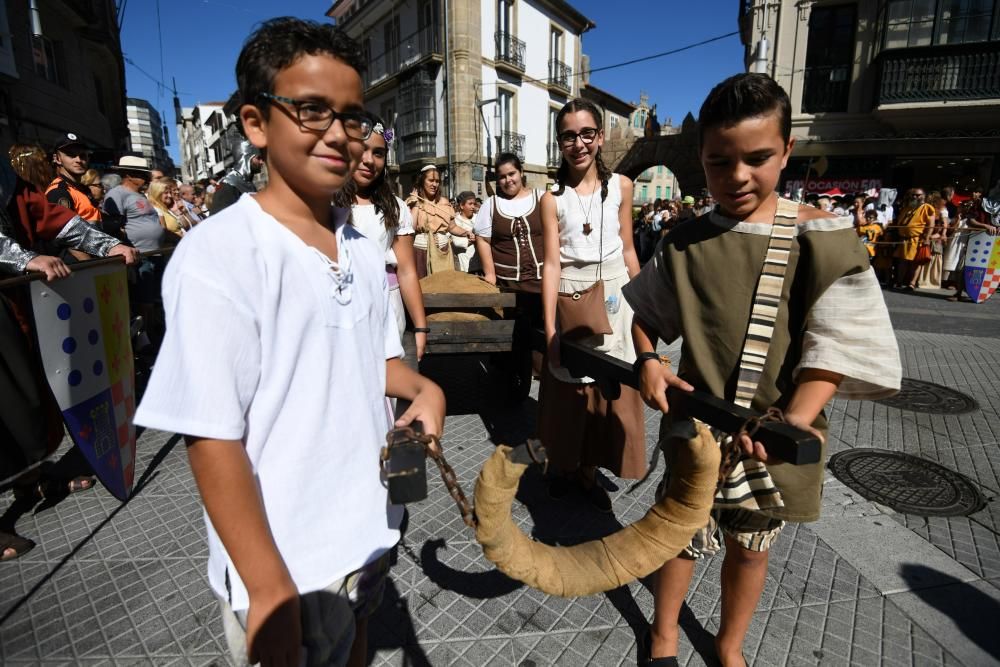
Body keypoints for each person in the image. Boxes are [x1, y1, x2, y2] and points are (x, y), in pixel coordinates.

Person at [133, 17, 446, 667]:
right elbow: (209, 433)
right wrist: (267, 584)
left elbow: (379, 361)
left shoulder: (362, 247)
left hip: (368, 532)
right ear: (255, 122)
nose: (338, 132)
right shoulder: (219, 254)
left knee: (358, 640)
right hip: (283, 563)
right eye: (311, 110)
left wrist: (425, 387)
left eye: (352, 116)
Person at [623, 73, 900, 667]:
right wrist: (648, 359)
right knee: (681, 537)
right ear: (700, 160)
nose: (738, 175)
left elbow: (836, 347)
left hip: (777, 432)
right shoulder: (683, 240)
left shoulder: (822, 235)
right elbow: (644, 316)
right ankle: (665, 635)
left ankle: (729, 646)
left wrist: (789, 424)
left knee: (750, 547)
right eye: (719, 161)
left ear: (787, 150)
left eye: (758, 158)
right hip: (696, 425)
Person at [0, 153, 139, 561]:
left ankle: (32, 478)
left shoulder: (7, 179)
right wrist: (25, 258)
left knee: (28, 397)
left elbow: (52, 218)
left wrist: (107, 243)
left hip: (13, 303)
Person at [539, 97, 646, 513]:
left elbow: (631, 251)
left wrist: (648, 310)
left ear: (599, 137)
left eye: (586, 133)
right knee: (571, 392)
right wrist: (549, 330)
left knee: (608, 389)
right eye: (568, 135)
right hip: (570, 296)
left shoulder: (621, 186)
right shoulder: (551, 197)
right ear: (560, 142)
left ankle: (590, 472)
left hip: (617, 294)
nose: (578, 143)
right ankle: (566, 468)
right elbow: (551, 263)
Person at [333, 117, 430, 360]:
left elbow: (406, 271)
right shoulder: (327, 203)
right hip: (340, 306)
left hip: (387, 304)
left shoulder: (395, 207)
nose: (368, 160)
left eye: (378, 153)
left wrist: (419, 326)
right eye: (361, 150)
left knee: (387, 383)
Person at [474, 153, 547, 393]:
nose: (507, 180)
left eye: (511, 174)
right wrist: (490, 274)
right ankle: (515, 385)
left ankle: (545, 379)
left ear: (521, 172)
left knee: (543, 334)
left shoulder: (542, 198)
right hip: (509, 285)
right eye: (502, 176)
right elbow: (483, 240)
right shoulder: (491, 205)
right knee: (515, 339)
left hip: (542, 282)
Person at [406, 165, 471, 277]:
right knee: (424, 287)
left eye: (437, 181)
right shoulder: (412, 202)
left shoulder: (444, 202)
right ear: (422, 181)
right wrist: (416, 203)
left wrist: (466, 233)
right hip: (421, 252)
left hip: (443, 250)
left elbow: (452, 227)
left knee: (444, 286)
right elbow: (410, 228)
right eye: (431, 180)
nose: (434, 184)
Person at [46, 133, 103, 227]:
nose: (78, 160)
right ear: (57, 159)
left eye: (83, 155)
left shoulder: (80, 189)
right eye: (71, 155)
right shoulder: (59, 191)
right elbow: (63, 232)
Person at [893, 188, 935, 290]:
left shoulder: (927, 208)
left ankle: (912, 283)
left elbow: (931, 225)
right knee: (902, 261)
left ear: (924, 196)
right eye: (913, 195)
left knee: (915, 263)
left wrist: (927, 238)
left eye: (918, 195)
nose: (915, 197)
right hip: (903, 239)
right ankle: (899, 282)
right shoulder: (908, 207)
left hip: (916, 239)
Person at [209, 140, 263, 215]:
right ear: (246, 158)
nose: (261, 162)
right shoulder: (228, 184)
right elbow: (218, 218)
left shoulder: (248, 183)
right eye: (258, 158)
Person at [451, 190, 477, 272]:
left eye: (474, 204)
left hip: (479, 263)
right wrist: (471, 240)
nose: (473, 207)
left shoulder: (478, 218)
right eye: (470, 204)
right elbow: (457, 242)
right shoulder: (456, 220)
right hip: (464, 263)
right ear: (462, 206)